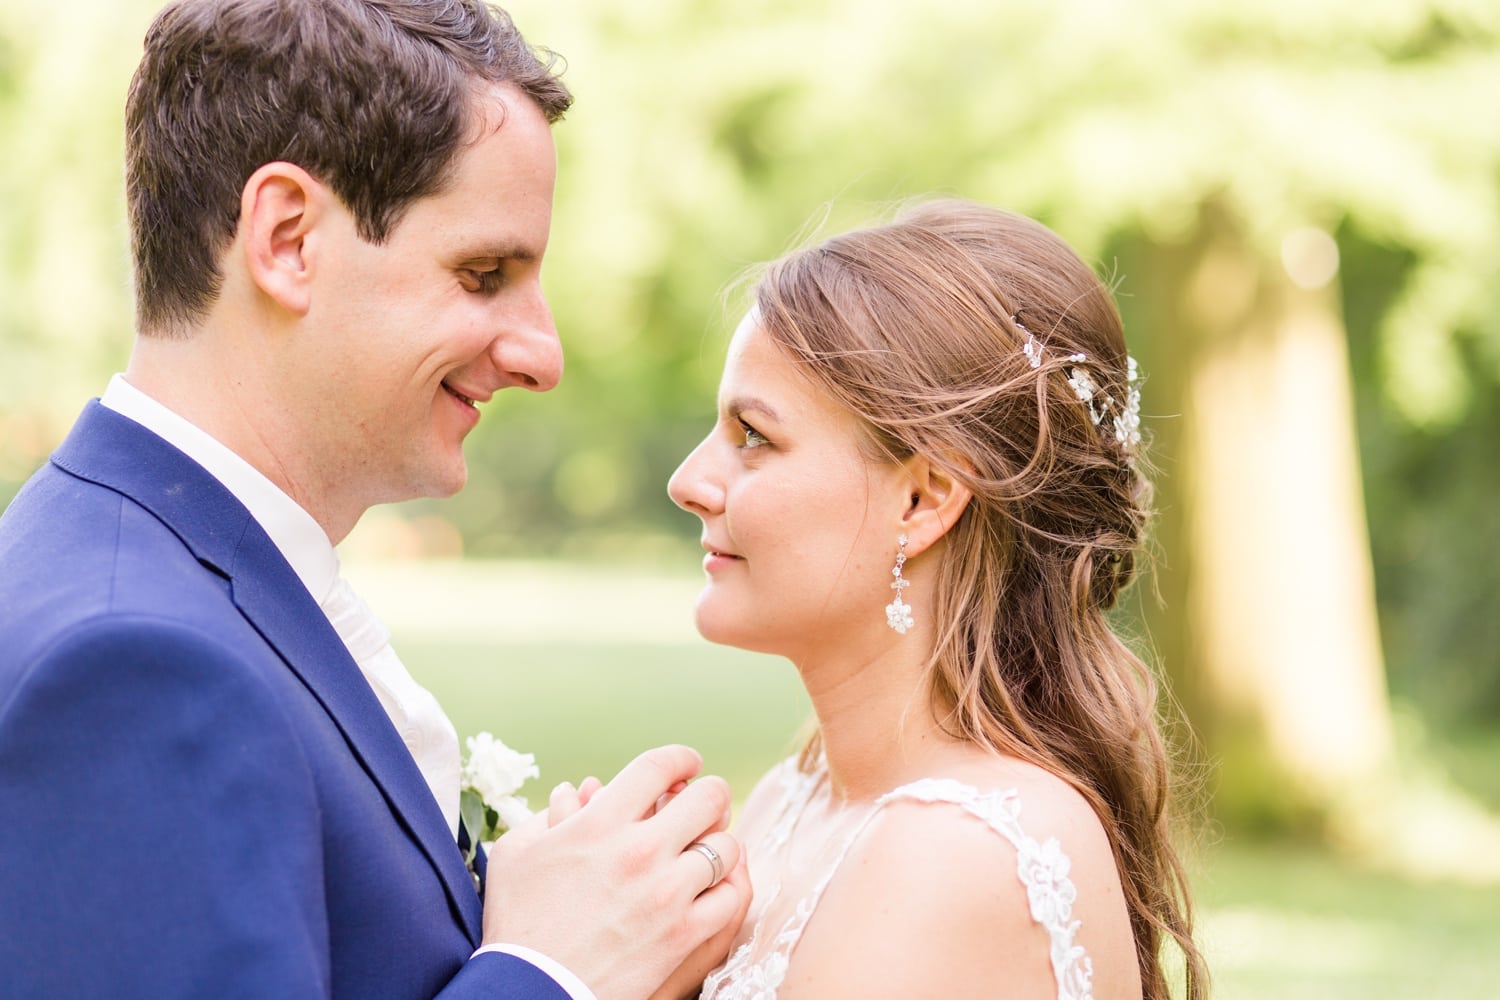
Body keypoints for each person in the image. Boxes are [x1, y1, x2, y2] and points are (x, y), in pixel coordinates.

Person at [0, 2, 746, 997]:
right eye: (484, 275)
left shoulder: (149, 565)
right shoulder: (136, 664)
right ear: (288, 238)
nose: (544, 353)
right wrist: (552, 970)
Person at [667, 198, 1208, 999]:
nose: (688, 482)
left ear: (922, 501)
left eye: (755, 436)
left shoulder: (954, 851)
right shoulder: (797, 795)